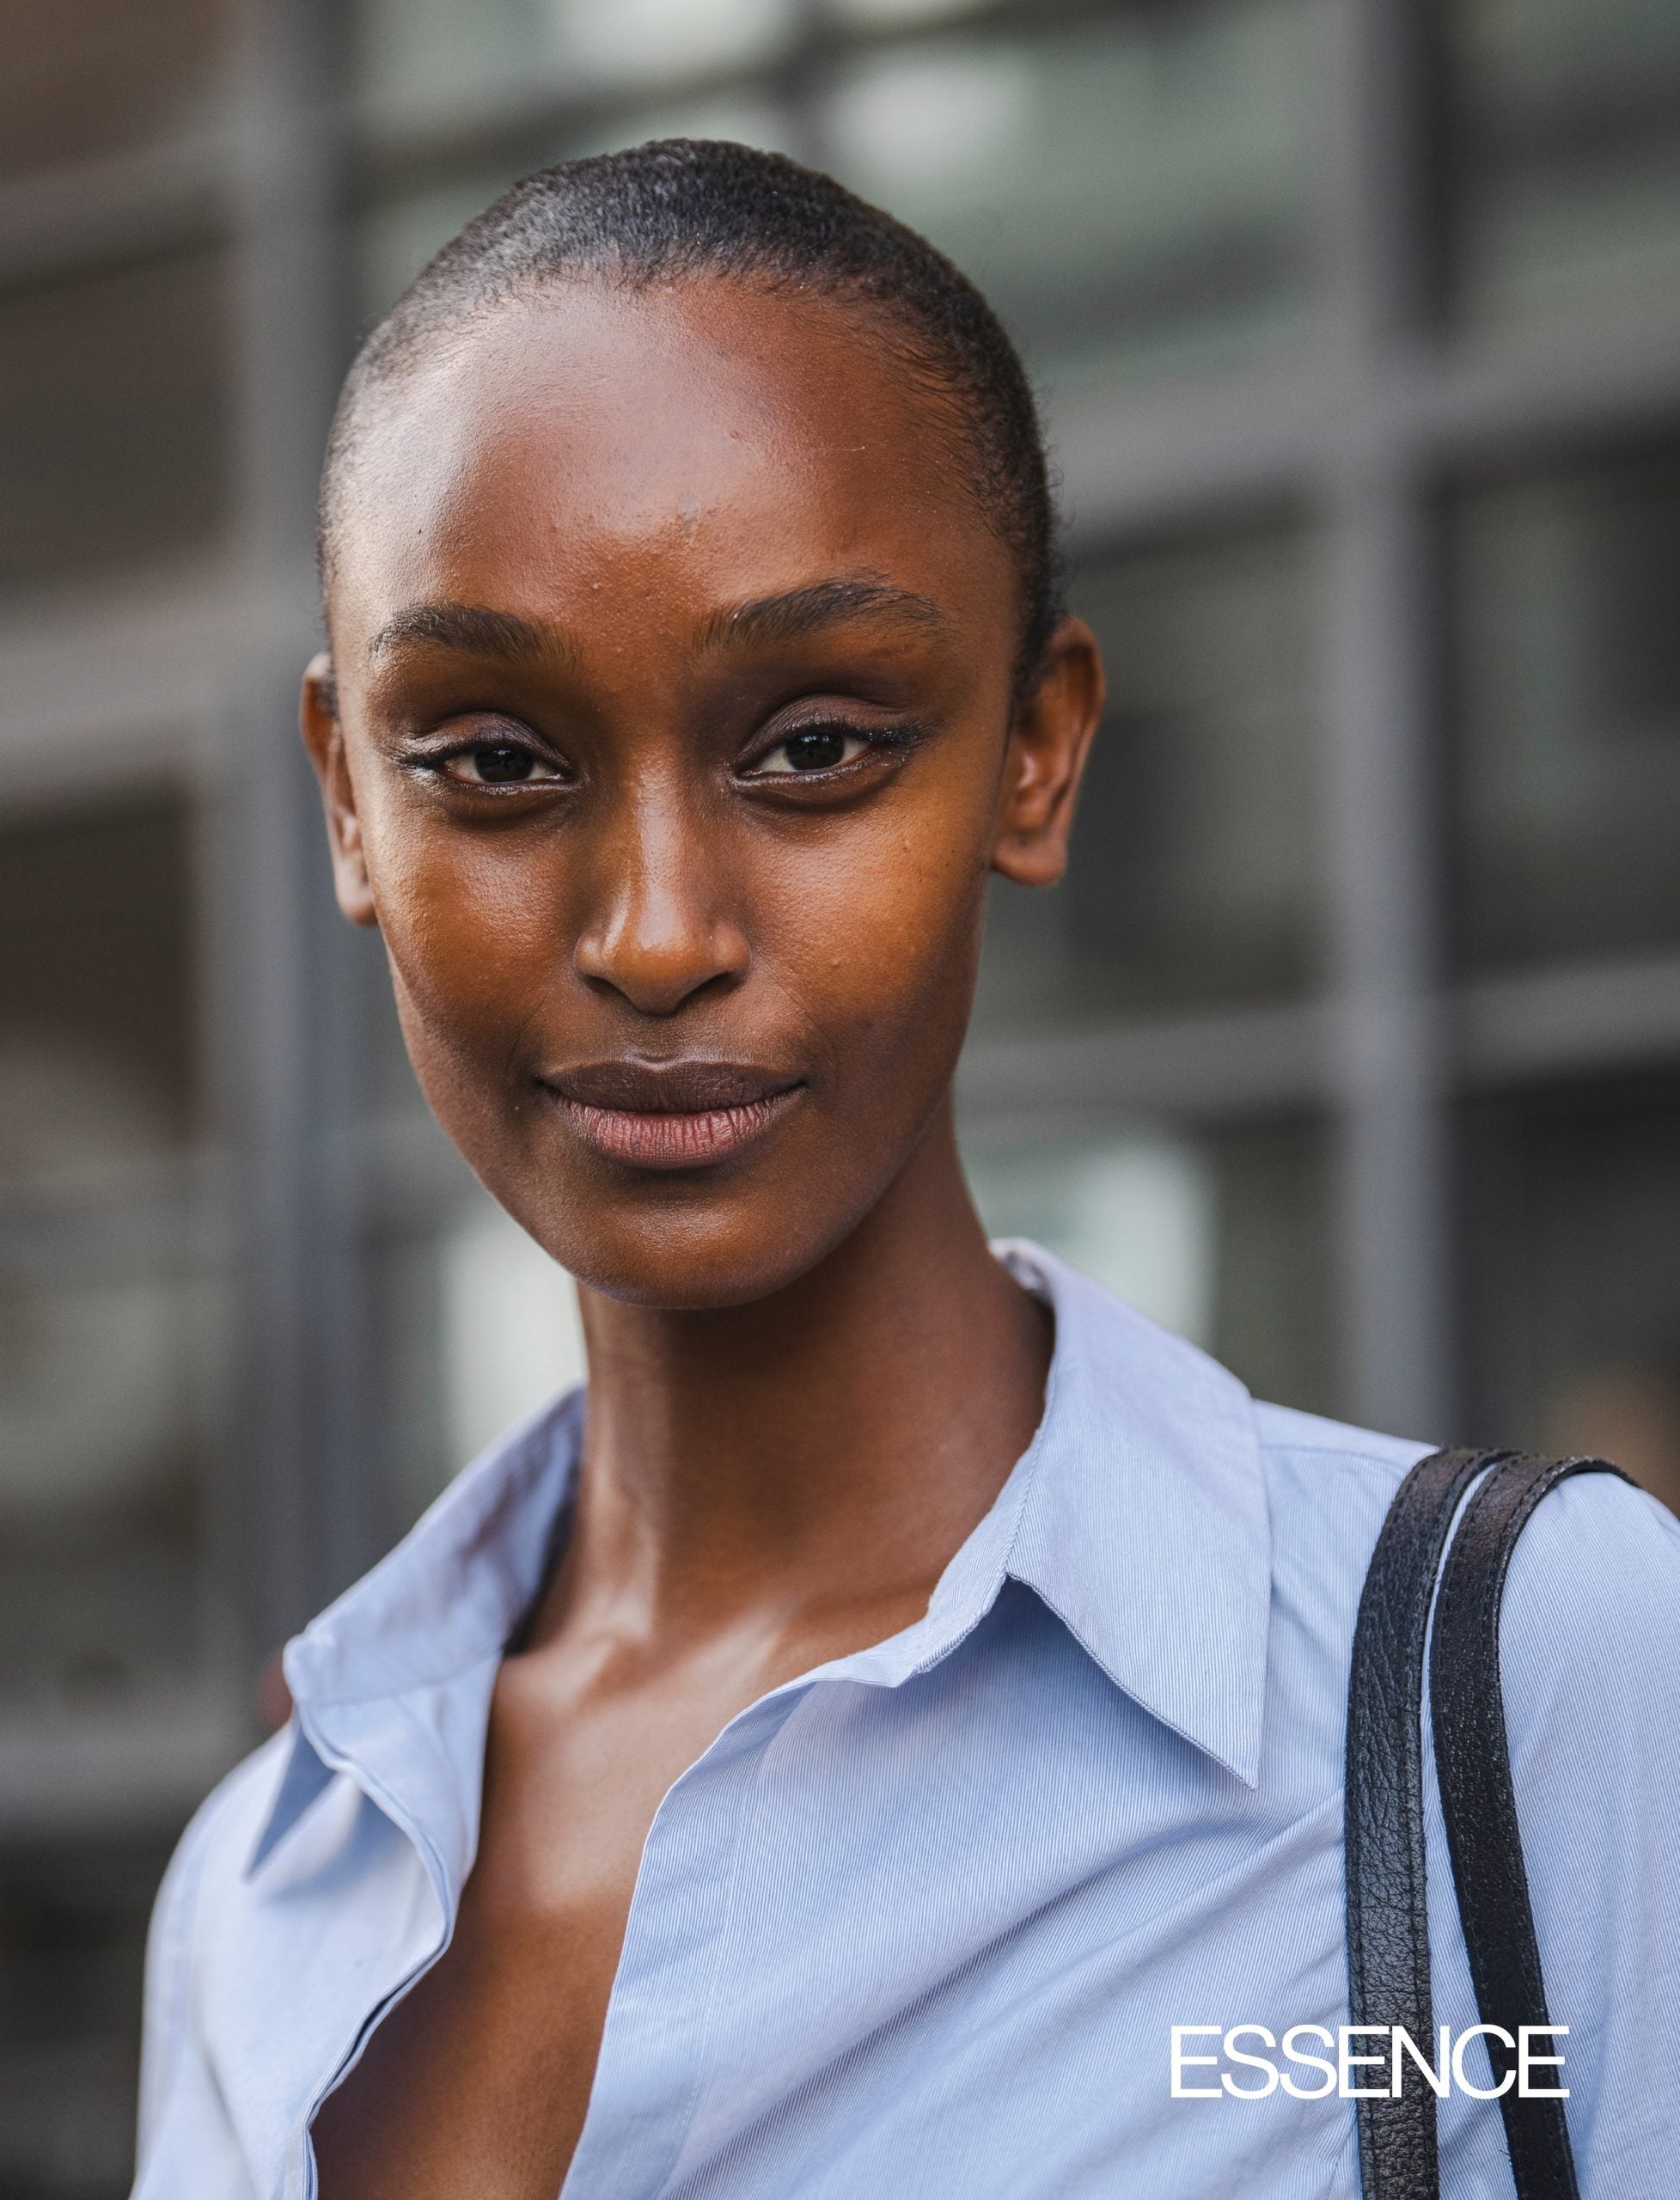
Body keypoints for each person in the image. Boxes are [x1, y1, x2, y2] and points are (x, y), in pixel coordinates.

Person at [131, 143, 1680, 2200]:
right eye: (493, 759)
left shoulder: (1521, 1682)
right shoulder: (259, 1878)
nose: (658, 926)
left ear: (1033, 751)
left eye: (815, 745)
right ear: (346, 803)